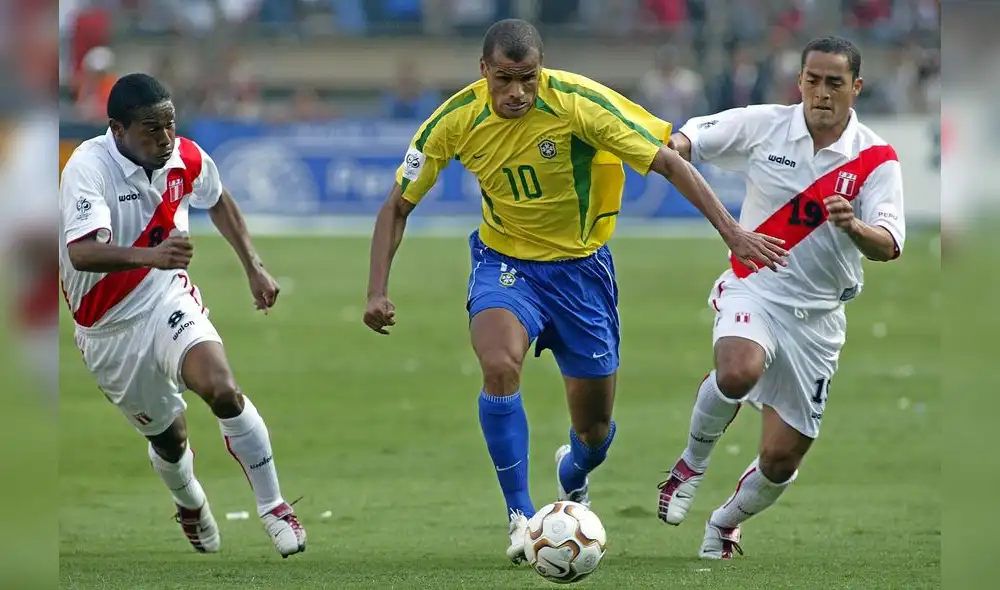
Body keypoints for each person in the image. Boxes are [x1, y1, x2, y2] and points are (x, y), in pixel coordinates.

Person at [363, 18, 788, 563]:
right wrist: (377, 290)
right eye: (503, 80)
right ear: (483, 72)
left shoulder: (577, 104)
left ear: (540, 70)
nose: (516, 92)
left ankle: (574, 473)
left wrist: (731, 231)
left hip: (582, 274)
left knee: (594, 430)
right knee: (498, 364)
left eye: (527, 78)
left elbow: (665, 161)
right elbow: (397, 205)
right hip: (505, 263)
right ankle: (520, 518)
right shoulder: (454, 121)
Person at [656, 36, 905, 559]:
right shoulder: (765, 124)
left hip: (819, 319)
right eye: (812, 80)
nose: (820, 92)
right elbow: (687, 140)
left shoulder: (877, 158)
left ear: (855, 88)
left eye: (834, 83)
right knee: (737, 368)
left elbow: (889, 245)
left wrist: (853, 225)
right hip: (757, 287)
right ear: (800, 81)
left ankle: (725, 522)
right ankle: (689, 467)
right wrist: (672, 150)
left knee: (780, 460)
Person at [58, 73, 306, 558]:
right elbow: (84, 253)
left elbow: (218, 199)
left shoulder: (184, 156)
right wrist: (154, 255)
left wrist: (254, 267)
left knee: (222, 388)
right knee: (170, 440)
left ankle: (274, 506)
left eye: (170, 124)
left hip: (165, 297)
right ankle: (189, 501)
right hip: (106, 329)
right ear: (117, 129)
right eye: (151, 129)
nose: (165, 138)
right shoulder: (86, 168)